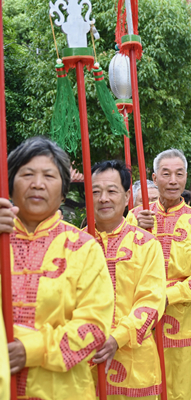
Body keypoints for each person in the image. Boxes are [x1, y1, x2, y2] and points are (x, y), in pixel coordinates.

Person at [1, 137, 113, 399]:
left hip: (63, 390)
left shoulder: (84, 247)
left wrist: (31, 349)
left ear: (63, 191)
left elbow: (94, 327)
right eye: (27, 174)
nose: (37, 184)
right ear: (10, 184)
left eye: (49, 176)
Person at [127, 149, 191, 400]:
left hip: (185, 321)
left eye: (179, 174)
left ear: (186, 177)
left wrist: (170, 295)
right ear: (154, 178)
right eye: (166, 174)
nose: (173, 181)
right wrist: (136, 232)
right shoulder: (136, 217)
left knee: (182, 392)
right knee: (144, 389)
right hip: (142, 320)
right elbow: (123, 264)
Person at [89, 160, 167, 397]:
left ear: (126, 198)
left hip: (135, 363)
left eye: (112, 191)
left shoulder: (147, 244)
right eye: (95, 192)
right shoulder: (74, 245)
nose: (103, 198)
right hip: (85, 360)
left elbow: (151, 301)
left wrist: (117, 338)